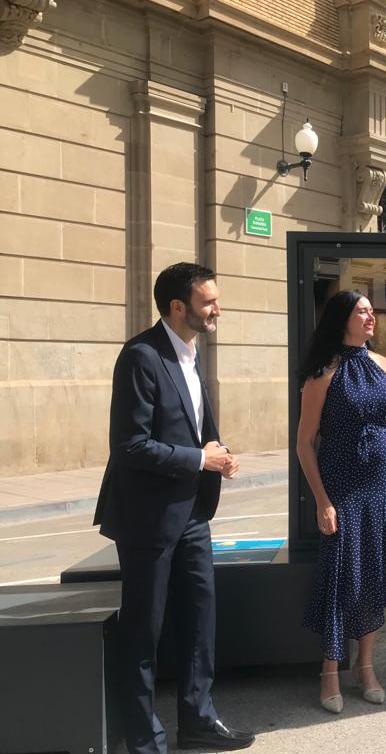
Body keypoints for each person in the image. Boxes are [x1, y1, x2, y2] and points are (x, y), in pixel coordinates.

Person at [94, 262, 253, 753]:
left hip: (192, 515)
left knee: (199, 622)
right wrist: (197, 458)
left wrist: (215, 452)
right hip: (147, 519)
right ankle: (146, 740)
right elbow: (130, 446)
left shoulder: (190, 352)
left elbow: (189, 424)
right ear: (178, 307)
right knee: (143, 632)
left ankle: (198, 720)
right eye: (209, 303)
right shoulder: (141, 356)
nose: (217, 310)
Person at [296, 290, 386, 714]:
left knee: (376, 577)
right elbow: (305, 444)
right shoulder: (322, 373)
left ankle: (366, 667)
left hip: (384, 486)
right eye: (361, 311)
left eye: (371, 311)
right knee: (341, 577)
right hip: (343, 487)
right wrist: (321, 501)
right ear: (341, 319)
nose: (370, 317)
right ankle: (330, 669)